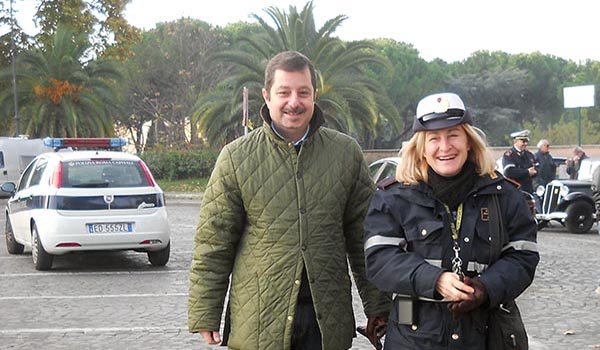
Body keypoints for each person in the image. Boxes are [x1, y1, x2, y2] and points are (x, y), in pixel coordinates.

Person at [188, 50, 390, 350]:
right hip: (258, 319)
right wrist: (206, 311)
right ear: (267, 96)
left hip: (325, 320)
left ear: (314, 96)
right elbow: (214, 242)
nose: (294, 102)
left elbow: (365, 238)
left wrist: (379, 307)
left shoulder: (345, 153)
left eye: (303, 93)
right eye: (284, 92)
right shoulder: (235, 157)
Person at [363, 92, 539, 349]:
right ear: (421, 147)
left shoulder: (505, 195)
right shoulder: (393, 198)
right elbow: (379, 259)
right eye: (434, 138)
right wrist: (434, 280)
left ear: (469, 141)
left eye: (453, 135)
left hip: (486, 334)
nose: (445, 147)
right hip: (413, 338)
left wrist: (485, 289)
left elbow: (523, 257)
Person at [502, 129, 537, 194]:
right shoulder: (509, 155)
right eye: (523, 141)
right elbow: (509, 172)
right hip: (514, 190)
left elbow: (536, 169)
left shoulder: (529, 155)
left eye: (527, 141)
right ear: (515, 141)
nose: (525, 144)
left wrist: (534, 172)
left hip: (528, 190)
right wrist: (527, 172)